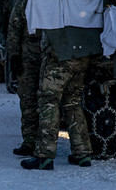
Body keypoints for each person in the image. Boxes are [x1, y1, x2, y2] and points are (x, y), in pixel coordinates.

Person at [20, 25, 100, 170]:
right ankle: (82, 154)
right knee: (72, 102)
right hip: (82, 54)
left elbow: (44, 40)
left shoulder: (52, 3)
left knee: (49, 102)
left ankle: (44, 155)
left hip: (60, 56)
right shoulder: (80, 2)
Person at [6, 0, 42, 157]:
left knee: (50, 102)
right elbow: (14, 30)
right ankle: (30, 142)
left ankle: (45, 143)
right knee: (28, 100)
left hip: (50, 57)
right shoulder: (26, 1)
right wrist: (14, 56)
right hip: (28, 59)